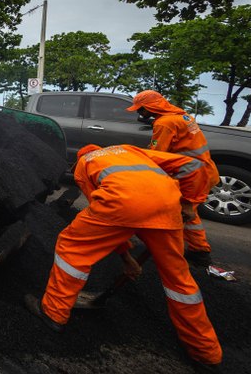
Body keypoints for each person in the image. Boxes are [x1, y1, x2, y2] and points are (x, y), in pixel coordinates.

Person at [24, 144, 221, 371]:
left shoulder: (83, 166)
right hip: (167, 205)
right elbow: (193, 165)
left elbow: (107, 217)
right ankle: (206, 351)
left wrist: (125, 256)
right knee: (178, 278)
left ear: (80, 158)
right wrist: (188, 201)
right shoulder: (129, 150)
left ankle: (53, 312)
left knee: (72, 247)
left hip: (123, 203)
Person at [127, 90, 219, 266]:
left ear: (150, 107)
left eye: (141, 109)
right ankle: (199, 250)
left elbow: (158, 154)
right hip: (204, 169)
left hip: (190, 174)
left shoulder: (164, 123)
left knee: (183, 211)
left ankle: (180, 251)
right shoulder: (183, 116)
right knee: (189, 211)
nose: (140, 113)